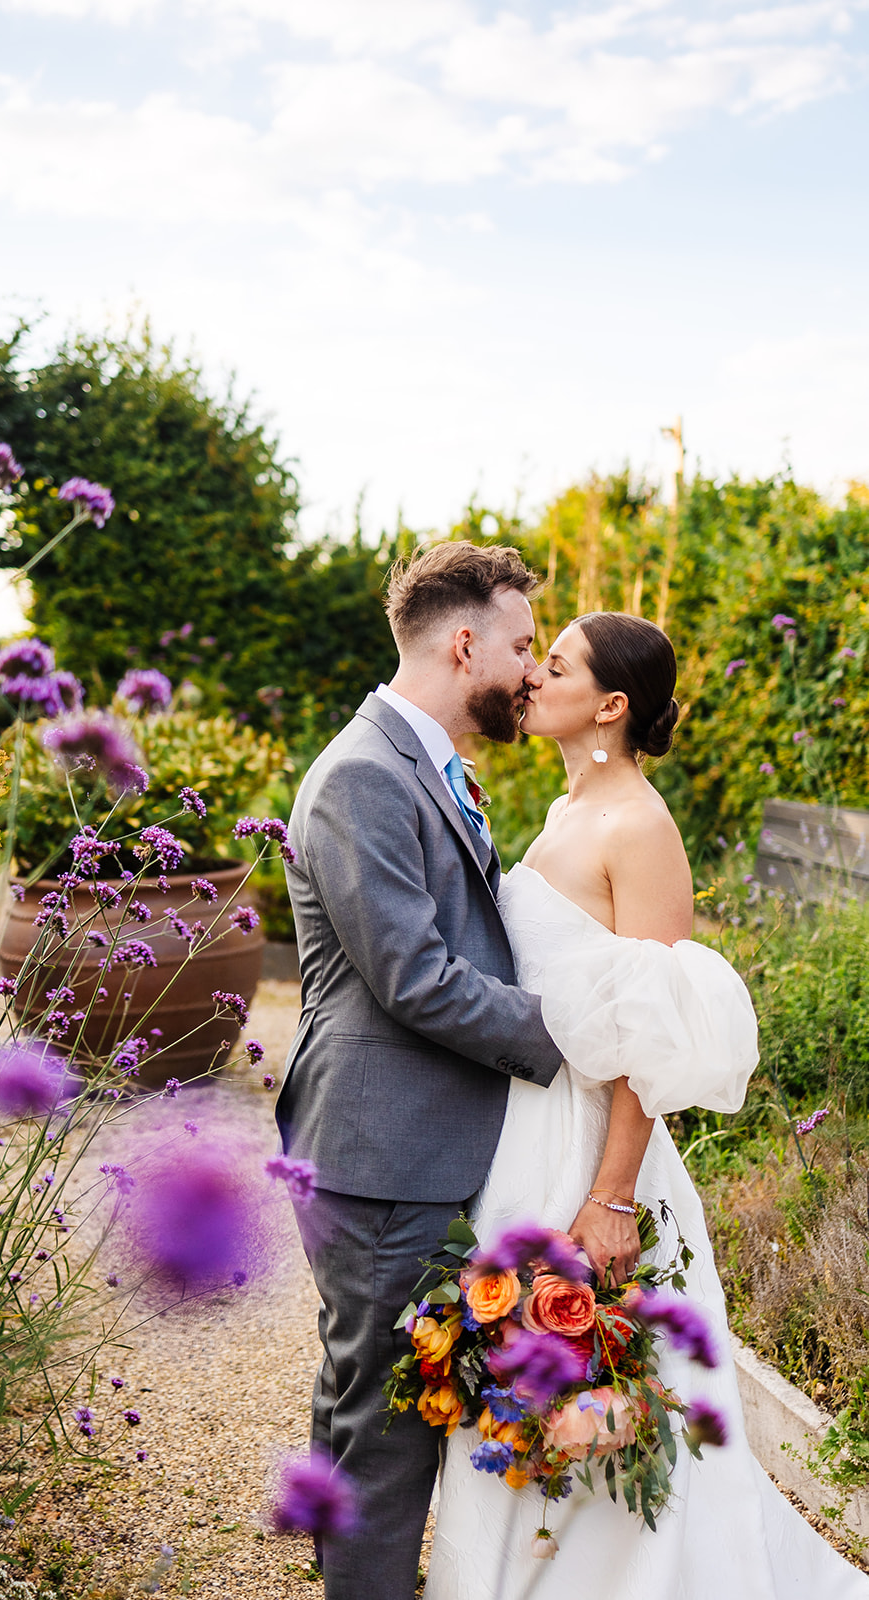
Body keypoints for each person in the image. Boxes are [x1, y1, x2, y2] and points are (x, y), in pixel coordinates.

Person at [425, 610, 869, 1598]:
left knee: (602, 1380)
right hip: (524, 1138)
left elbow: (649, 1038)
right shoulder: (562, 812)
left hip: (594, 1156)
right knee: (521, 1375)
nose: (531, 680)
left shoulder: (639, 825)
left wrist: (611, 1197)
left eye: (553, 666)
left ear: (610, 703)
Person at [275, 541, 566, 1600]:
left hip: (405, 1150)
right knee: (385, 1433)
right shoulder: (359, 776)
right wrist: (563, 1034)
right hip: (379, 1152)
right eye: (521, 646)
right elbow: (413, 975)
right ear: (461, 642)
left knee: (365, 1408)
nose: (530, 670)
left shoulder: (428, 768)